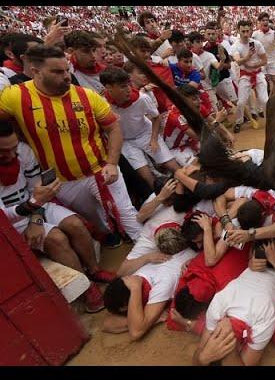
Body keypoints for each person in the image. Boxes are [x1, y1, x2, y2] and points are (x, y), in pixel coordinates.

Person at [0, 45, 142, 243]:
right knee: (94, 218)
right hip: (61, 181)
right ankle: (111, 235)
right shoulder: (15, 97)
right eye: (58, 72)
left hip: (99, 170)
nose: (66, 76)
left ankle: (147, 251)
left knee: (125, 213)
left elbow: (114, 128)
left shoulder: (87, 95)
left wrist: (111, 162)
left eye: (67, 70)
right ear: (36, 72)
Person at [0, 121, 110, 312]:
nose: (11, 155)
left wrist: (36, 217)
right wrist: (33, 206)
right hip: (12, 220)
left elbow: (36, 189)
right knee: (57, 239)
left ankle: (94, 271)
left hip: (34, 206)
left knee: (76, 224)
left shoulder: (23, 151)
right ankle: (86, 289)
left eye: (13, 148)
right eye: (3, 151)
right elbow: (3, 216)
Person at [100, 66, 180, 188]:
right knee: (146, 177)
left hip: (145, 133)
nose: (128, 89)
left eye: (128, 84)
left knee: (172, 165)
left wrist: (153, 139)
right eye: (122, 86)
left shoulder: (142, 98)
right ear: (109, 88)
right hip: (126, 142)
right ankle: (162, 198)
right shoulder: (102, 104)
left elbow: (156, 117)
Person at [229, 20, 268, 134]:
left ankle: (269, 119)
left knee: (265, 100)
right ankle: (239, 121)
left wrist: (254, 65)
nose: (246, 34)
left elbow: (264, 60)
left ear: (251, 30)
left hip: (258, 73)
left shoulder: (257, 43)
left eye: (248, 31)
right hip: (245, 75)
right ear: (238, 31)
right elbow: (238, 62)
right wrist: (248, 56)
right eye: (243, 31)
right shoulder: (236, 46)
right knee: (241, 102)